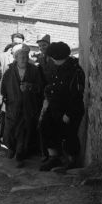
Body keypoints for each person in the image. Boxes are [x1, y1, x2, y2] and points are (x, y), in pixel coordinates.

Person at [38, 42, 85, 171]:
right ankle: (55, 158)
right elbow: (53, 86)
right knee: (46, 127)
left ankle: (72, 161)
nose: (52, 60)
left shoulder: (74, 70)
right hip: (55, 108)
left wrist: (68, 113)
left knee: (69, 134)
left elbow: (77, 95)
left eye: (53, 57)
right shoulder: (57, 67)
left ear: (57, 57)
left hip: (70, 110)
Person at [0, 44, 43, 167]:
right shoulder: (9, 72)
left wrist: (30, 87)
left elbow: (40, 88)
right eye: (21, 57)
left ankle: (20, 154)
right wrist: (2, 104)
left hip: (28, 106)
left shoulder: (34, 71)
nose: (24, 59)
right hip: (13, 106)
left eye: (25, 56)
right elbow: (3, 90)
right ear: (16, 58)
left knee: (24, 130)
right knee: (10, 130)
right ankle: (12, 148)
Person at [0, 43, 16, 143]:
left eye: (20, 43)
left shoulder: (23, 58)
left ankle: (5, 138)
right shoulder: (2, 56)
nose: (18, 45)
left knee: (8, 116)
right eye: (16, 43)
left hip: (14, 92)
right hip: (1, 89)